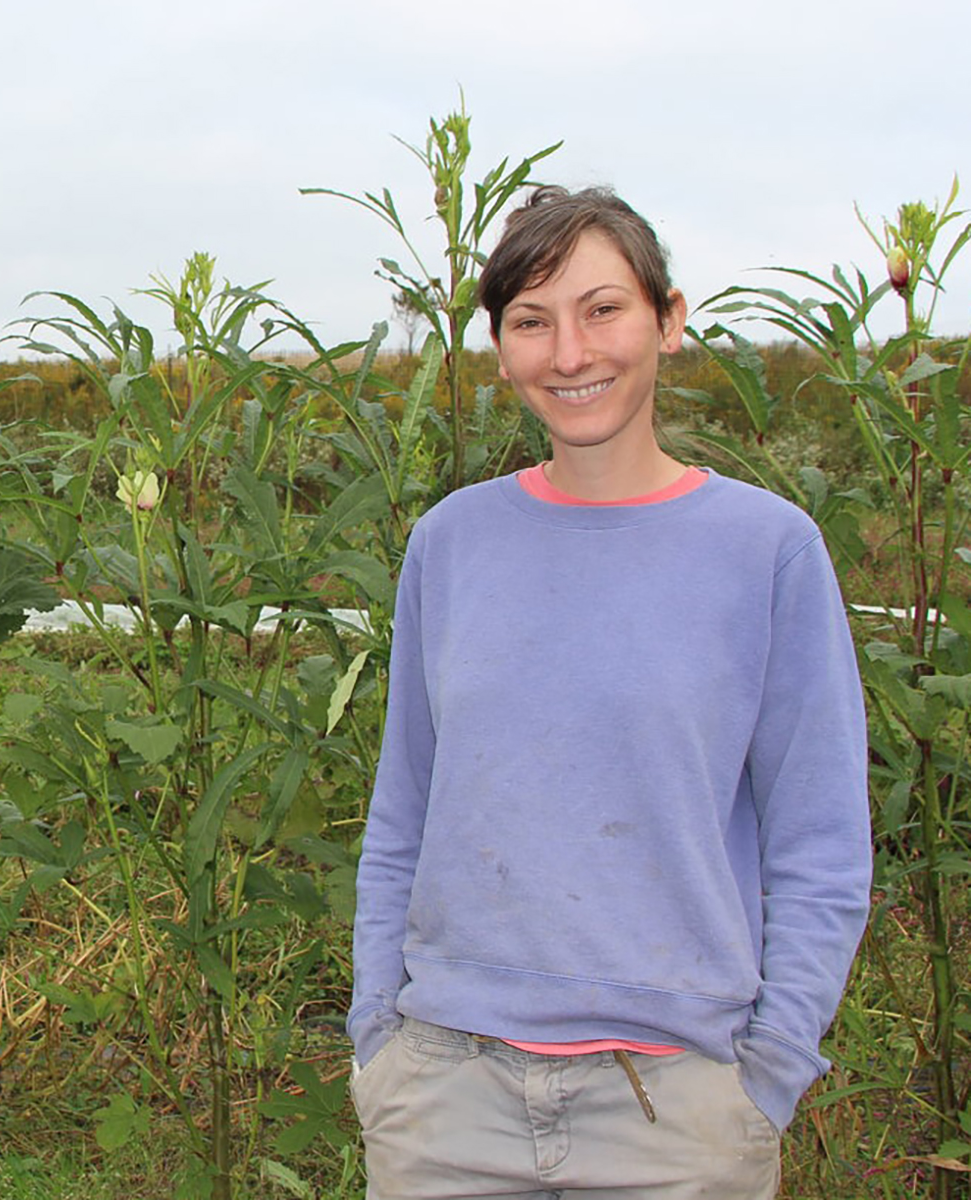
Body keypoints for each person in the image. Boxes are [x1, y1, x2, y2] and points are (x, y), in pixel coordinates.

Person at [347, 185, 871, 1200]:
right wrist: (380, 1040)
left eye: (603, 310)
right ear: (500, 350)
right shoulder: (450, 544)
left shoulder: (766, 552)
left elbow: (821, 844)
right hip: (443, 1102)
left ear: (669, 321)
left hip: (676, 1115)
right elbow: (403, 811)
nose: (571, 354)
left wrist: (765, 1076)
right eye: (532, 322)